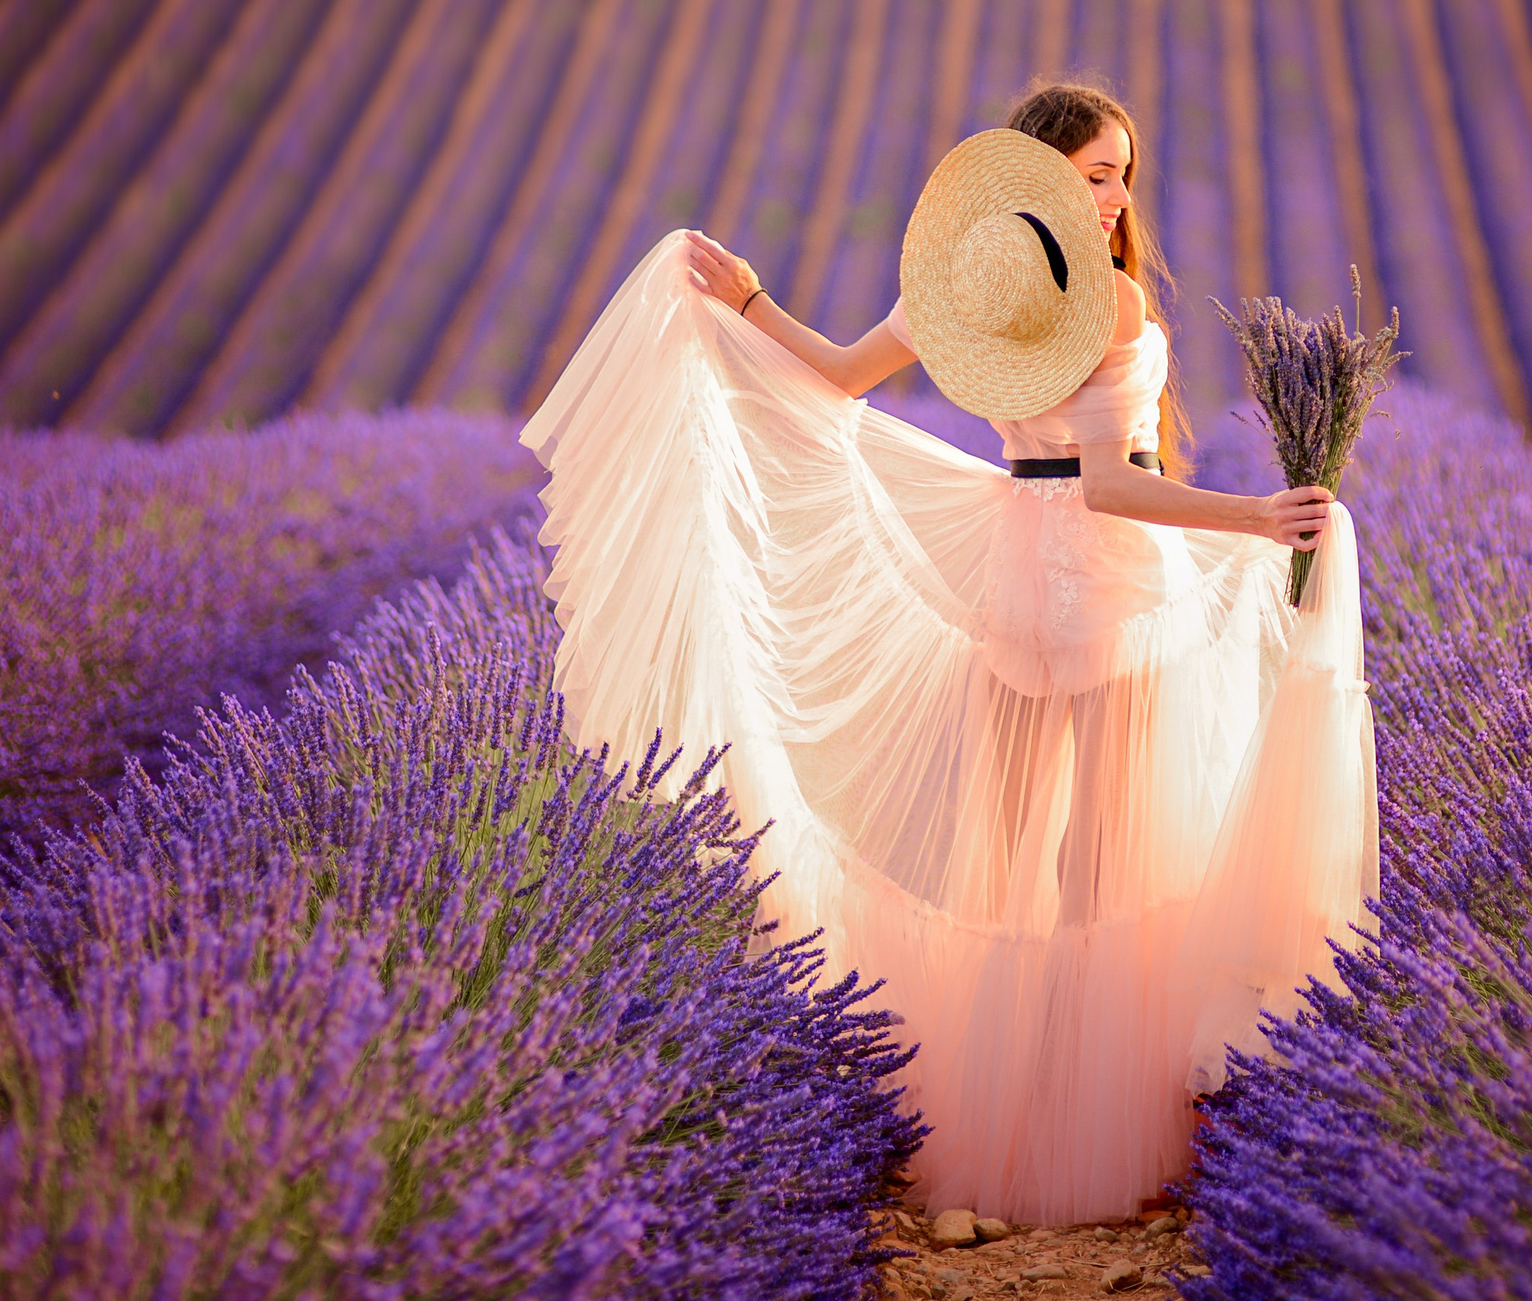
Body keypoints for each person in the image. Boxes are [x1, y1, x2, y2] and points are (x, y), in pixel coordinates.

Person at [521, 82, 1378, 1226]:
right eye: (1087, 173)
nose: (1110, 192)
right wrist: (1259, 519)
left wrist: (757, 306)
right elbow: (1115, 485)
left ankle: (998, 1143)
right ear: (1039, 184)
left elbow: (832, 375)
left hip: (1024, 589)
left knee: (1019, 872)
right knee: (1094, 876)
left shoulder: (975, 290)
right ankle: (1093, 1147)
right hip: (1113, 601)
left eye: (1119, 173)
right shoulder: (1107, 303)